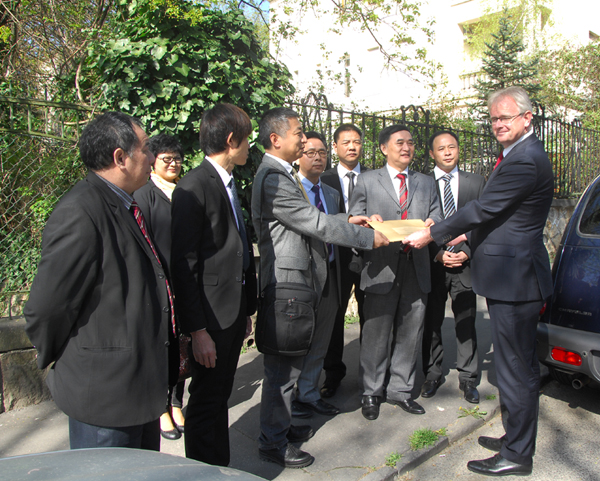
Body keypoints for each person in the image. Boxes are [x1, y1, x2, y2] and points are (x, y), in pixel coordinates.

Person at [404, 86, 553, 477]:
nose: (498, 124)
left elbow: (485, 207)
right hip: (513, 276)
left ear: (527, 118)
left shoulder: (525, 159)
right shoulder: (517, 153)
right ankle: (515, 438)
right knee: (515, 366)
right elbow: (500, 215)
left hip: (516, 279)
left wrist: (433, 233)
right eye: (494, 119)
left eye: (506, 117)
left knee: (515, 370)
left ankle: (517, 455)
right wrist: (465, 236)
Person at [24, 111, 171, 450]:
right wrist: (70, 360)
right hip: (106, 396)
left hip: (139, 388)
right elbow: (46, 309)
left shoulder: (123, 204)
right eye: (146, 149)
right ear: (121, 157)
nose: (152, 157)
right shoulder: (81, 211)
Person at [252, 107, 388, 469]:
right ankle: (272, 443)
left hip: (300, 284)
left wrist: (347, 218)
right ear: (276, 139)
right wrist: (366, 236)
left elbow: (314, 217)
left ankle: (279, 429)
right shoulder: (273, 178)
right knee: (281, 374)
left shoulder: (282, 174)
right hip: (287, 286)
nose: (303, 138)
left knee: (290, 370)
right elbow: (312, 222)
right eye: (297, 132)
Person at [170, 103, 257, 467]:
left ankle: (219, 468)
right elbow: (184, 265)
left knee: (219, 396)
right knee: (206, 403)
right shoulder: (193, 186)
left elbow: (234, 249)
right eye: (247, 138)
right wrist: (198, 330)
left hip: (231, 314)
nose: (249, 146)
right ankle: (203, 472)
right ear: (231, 139)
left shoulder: (226, 181)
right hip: (210, 319)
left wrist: (245, 309)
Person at [349, 124, 441, 421]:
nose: (407, 147)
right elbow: (353, 219)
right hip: (380, 265)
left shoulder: (426, 182)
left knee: (411, 330)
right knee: (376, 332)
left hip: (417, 265)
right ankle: (371, 392)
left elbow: (439, 214)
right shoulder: (365, 180)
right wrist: (368, 221)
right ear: (383, 148)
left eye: (411, 143)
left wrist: (431, 222)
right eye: (400, 142)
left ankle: (400, 390)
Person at [421, 130, 485, 404]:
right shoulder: (421, 184)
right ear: (432, 153)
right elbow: (418, 223)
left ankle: (468, 378)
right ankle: (432, 373)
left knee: (466, 322)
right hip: (433, 263)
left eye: (452, 147)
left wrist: (467, 251)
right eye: (441, 148)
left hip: (464, 264)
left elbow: (483, 222)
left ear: (459, 150)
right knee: (431, 322)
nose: (447, 152)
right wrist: (437, 254)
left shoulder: (476, 182)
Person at [133, 133, 186, 441]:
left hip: (184, 283)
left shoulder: (184, 192)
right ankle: (160, 408)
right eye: (166, 158)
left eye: (177, 158)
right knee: (161, 344)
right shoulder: (145, 194)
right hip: (159, 286)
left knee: (181, 345)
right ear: (152, 161)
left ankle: (177, 401)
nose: (173, 163)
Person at [291, 131, 343, 419]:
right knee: (300, 341)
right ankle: (292, 397)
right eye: (310, 152)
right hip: (302, 278)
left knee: (322, 339)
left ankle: (309, 393)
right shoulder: (291, 190)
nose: (317, 157)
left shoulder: (332, 194)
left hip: (331, 275)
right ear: (298, 154)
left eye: (322, 152)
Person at [319, 123, 369, 398]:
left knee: (371, 317)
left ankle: (371, 376)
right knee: (334, 319)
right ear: (335, 146)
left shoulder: (375, 178)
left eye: (357, 141)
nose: (352, 146)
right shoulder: (323, 179)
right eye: (346, 142)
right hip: (336, 259)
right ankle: (333, 374)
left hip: (370, 258)